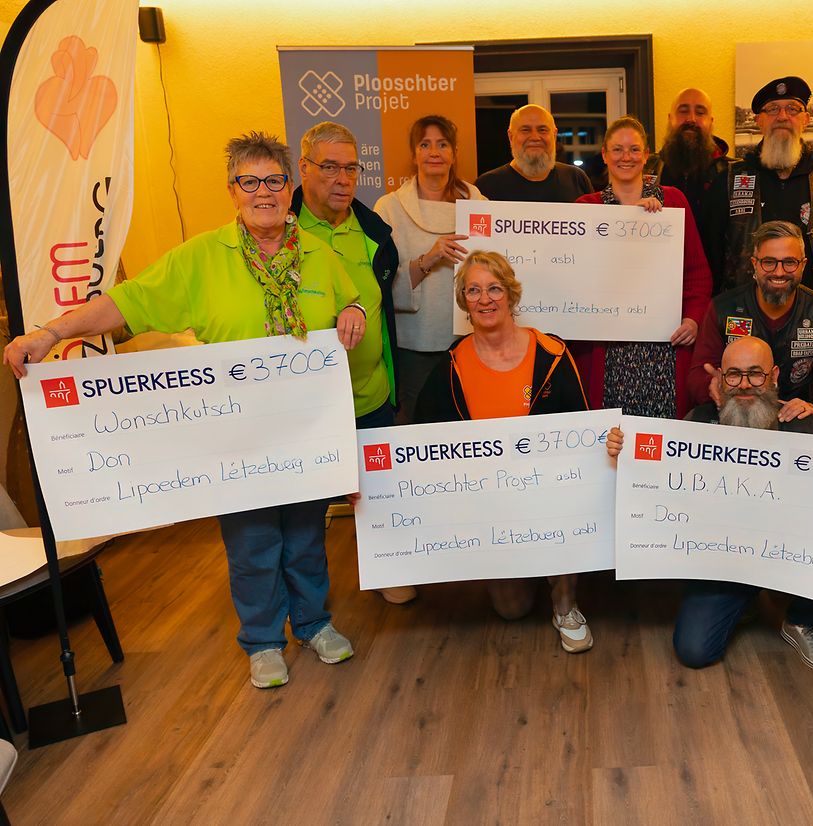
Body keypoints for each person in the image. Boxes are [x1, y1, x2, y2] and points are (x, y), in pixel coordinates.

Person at [3, 132, 365, 690]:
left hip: (306, 432)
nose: (264, 192)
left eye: (274, 180)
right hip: (236, 438)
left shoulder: (320, 253)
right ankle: (264, 641)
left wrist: (354, 308)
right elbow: (126, 303)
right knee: (252, 544)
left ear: (290, 186)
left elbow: (351, 296)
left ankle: (314, 623)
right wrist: (50, 333)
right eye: (250, 181)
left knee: (305, 537)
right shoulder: (200, 257)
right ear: (232, 190)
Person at [605, 336, 813, 672]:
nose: (744, 384)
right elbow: (660, 479)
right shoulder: (698, 422)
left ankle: (802, 619)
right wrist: (624, 453)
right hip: (724, 561)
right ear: (719, 378)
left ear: (774, 376)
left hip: (789, 555)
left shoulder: (805, 425)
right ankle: (743, 600)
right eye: (733, 374)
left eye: (755, 373)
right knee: (694, 651)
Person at [414, 251, 594, 653]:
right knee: (512, 609)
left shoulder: (551, 354)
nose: (485, 299)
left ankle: (565, 602)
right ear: (464, 301)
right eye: (473, 290)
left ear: (511, 294)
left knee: (566, 504)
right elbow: (421, 442)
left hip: (550, 497)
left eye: (494, 288)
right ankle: (530, 568)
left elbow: (583, 432)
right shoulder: (453, 365)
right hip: (492, 508)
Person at [291, 122, 412, 606]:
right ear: (304, 169)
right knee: (305, 513)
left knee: (379, 494)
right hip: (307, 409)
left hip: (370, 395)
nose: (343, 179)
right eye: (329, 167)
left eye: (351, 168)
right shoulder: (280, 230)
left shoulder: (374, 230)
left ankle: (385, 568)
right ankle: (308, 608)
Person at [573, 116, 712, 418]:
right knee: (612, 434)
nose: (626, 157)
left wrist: (692, 320)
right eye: (618, 149)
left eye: (634, 149)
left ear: (646, 155)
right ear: (605, 155)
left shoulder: (673, 201)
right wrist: (628, 225)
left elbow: (697, 276)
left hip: (664, 346)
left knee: (664, 432)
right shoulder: (586, 208)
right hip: (609, 348)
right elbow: (575, 279)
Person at [702, 75, 813, 300]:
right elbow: (709, 255)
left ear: (806, 119)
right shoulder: (729, 179)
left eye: (792, 109)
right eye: (773, 109)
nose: (782, 117)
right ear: (759, 120)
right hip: (744, 313)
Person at [374, 114, 484, 424]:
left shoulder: (479, 203)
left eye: (442, 144)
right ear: (414, 154)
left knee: (467, 421)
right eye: (425, 145)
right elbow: (379, 282)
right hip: (414, 346)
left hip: (469, 339)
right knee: (418, 424)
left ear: (454, 153)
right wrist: (428, 259)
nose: (434, 152)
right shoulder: (389, 208)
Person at [688, 221, 813, 425]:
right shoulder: (722, 309)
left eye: (789, 262)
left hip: (798, 422)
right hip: (735, 419)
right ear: (754, 264)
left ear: (803, 265)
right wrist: (710, 385)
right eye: (769, 262)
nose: (779, 272)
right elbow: (698, 375)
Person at [644, 87, 732, 237]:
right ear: (670, 119)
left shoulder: (730, 173)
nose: (691, 119)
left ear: (711, 122)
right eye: (683, 111)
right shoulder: (646, 169)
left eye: (700, 112)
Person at [474, 104, 592, 202]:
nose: (535, 137)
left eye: (542, 130)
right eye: (525, 130)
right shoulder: (486, 185)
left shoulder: (576, 179)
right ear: (511, 136)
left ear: (554, 135)